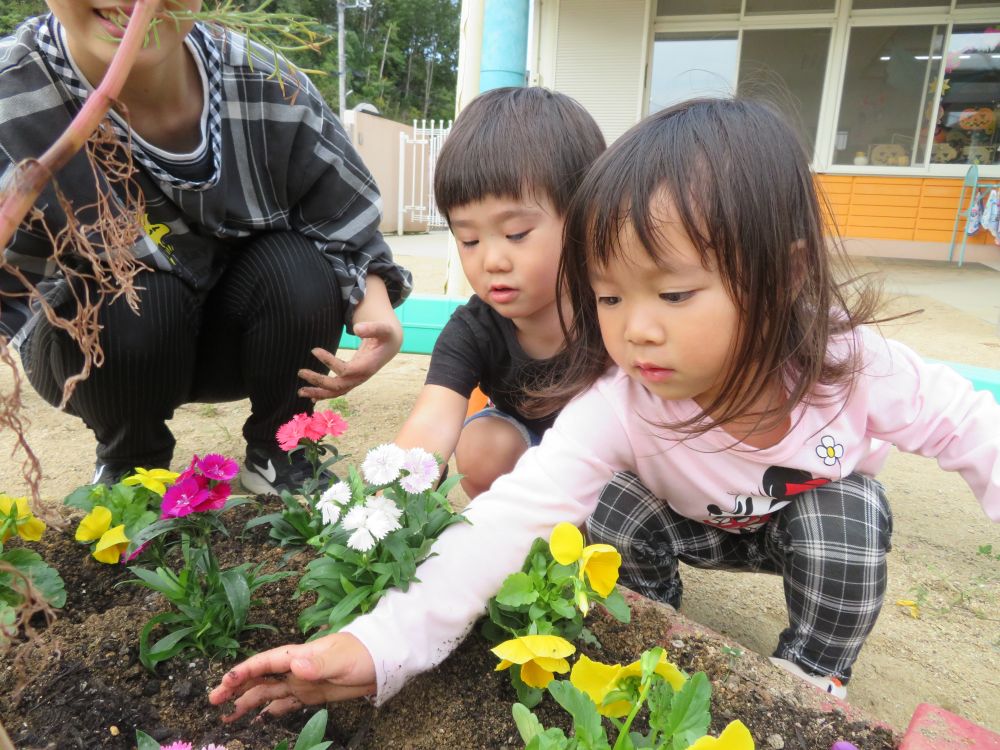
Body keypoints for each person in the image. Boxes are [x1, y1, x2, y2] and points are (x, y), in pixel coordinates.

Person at [209, 98, 999, 719]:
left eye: (675, 292)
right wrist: (376, 645)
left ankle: (811, 674)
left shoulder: (846, 365)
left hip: (797, 525)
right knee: (608, 503)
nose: (635, 329)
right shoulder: (621, 398)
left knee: (849, 513)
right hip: (685, 523)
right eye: (610, 296)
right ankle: (654, 623)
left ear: (784, 277)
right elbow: (507, 517)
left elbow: (974, 428)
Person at [0, 1, 412, 493]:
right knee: (137, 296)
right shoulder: (13, 92)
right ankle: (132, 471)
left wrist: (377, 312)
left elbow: (345, 221)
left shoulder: (265, 83)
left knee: (299, 268)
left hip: (237, 341)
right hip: (100, 351)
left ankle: (280, 448)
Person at [299, 86, 605, 499]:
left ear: (586, 219)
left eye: (516, 234)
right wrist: (380, 508)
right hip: (523, 448)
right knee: (481, 446)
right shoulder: (472, 329)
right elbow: (432, 422)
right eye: (469, 240)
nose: (492, 260)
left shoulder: (614, 311)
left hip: (605, 454)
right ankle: (523, 542)